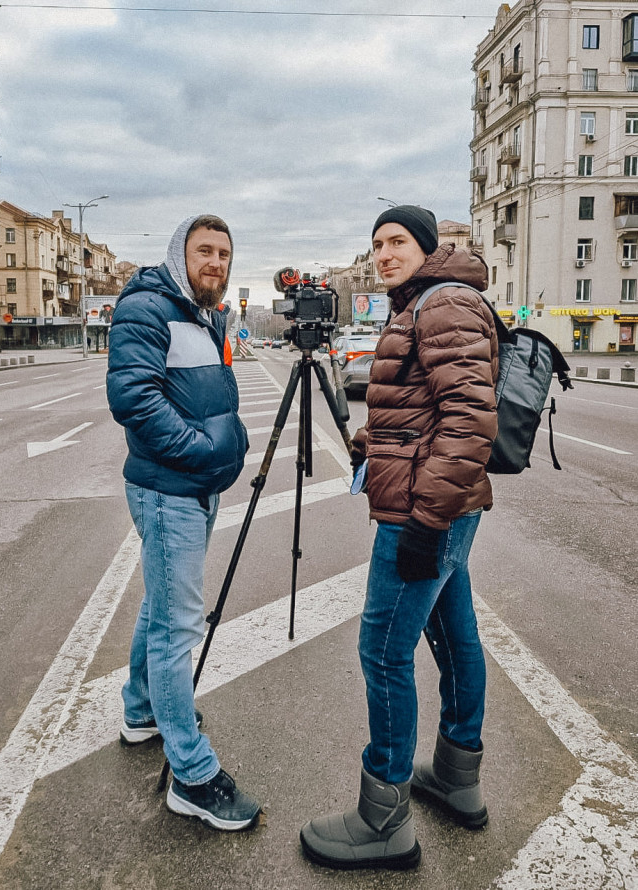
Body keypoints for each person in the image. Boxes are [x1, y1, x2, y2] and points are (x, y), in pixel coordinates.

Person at [300, 204, 499, 869]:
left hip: (426, 511)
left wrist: (425, 520)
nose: (384, 253)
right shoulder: (423, 302)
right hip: (441, 504)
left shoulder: (441, 304)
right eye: (377, 243)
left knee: (384, 651)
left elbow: (469, 417)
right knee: (455, 636)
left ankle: (383, 819)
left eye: (397, 242)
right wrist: (368, 442)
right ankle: (456, 776)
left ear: (425, 245)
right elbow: (416, 407)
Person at [106, 214, 260, 831]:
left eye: (224, 253)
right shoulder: (148, 306)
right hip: (170, 490)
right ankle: (192, 777)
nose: (216, 263)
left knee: (160, 606)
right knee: (177, 627)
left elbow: (216, 393)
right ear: (180, 254)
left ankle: (140, 711)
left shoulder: (205, 313)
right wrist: (203, 452)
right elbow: (134, 399)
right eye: (205, 251)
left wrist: (233, 439)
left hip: (193, 489)